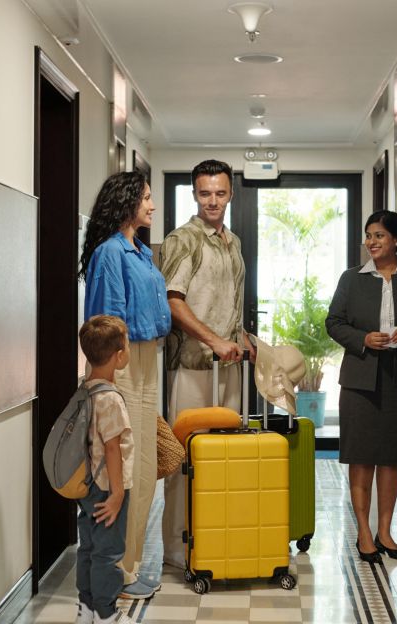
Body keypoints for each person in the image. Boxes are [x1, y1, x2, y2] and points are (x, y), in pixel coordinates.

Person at [325, 210, 397, 563]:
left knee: (392, 458)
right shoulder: (351, 279)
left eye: (379, 236)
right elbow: (334, 322)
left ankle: (385, 532)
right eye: (368, 236)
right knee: (361, 457)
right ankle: (363, 532)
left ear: (396, 240)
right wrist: (363, 338)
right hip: (360, 377)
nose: (371, 242)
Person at [79, 171, 170, 599]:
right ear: (128, 202)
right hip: (123, 361)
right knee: (123, 464)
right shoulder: (109, 253)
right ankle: (117, 571)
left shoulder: (141, 253)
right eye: (147, 198)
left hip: (148, 357)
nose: (152, 205)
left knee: (146, 463)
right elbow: (106, 323)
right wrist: (107, 382)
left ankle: (131, 563)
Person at [158, 159, 251, 569]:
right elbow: (173, 301)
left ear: (230, 194)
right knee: (186, 459)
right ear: (194, 194)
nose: (212, 201)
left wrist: (240, 336)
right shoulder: (184, 239)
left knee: (225, 457)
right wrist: (214, 339)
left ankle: (217, 539)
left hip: (228, 368)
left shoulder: (233, 242)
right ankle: (180, 551)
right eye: (204, 193)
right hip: (193, 367)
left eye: (220, 192)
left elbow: (229, 303)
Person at [74, 315, 136, 624]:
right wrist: (117, 493)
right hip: (107, 487)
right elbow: (113, 448)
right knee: (108, 553)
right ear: (118, 355)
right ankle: (106, 613)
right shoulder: (111, 399)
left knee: (88, 547)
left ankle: (86, 609)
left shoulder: (84, 389)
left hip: (87, 485)